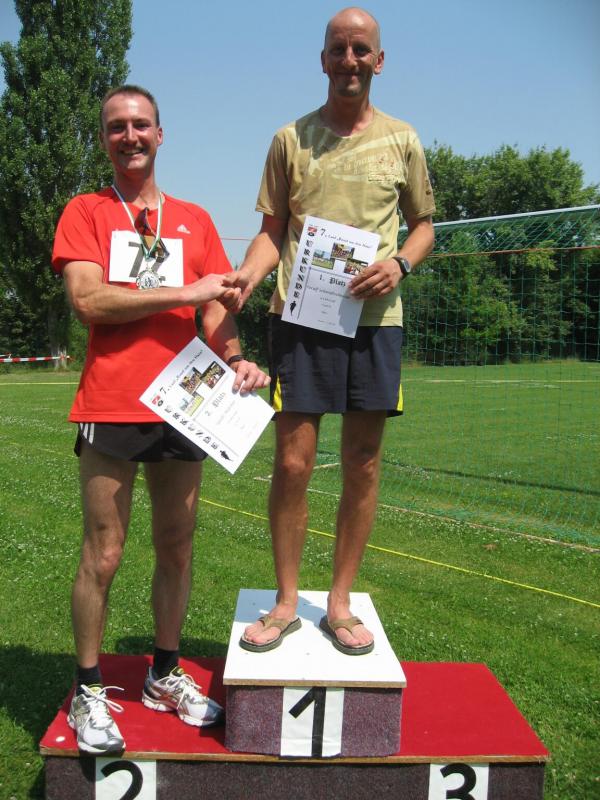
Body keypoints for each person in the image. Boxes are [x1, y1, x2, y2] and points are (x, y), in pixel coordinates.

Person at [52, 84, 269, 754]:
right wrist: (186, 290)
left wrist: (236, 357)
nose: (130, 136)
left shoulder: (194, 220)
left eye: (141, 124)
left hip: (186, 404)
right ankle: (89, 689)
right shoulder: (86, 212)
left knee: (177, 545)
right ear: (104, 140)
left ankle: (164, 673)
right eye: (117, 127)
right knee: (104, 553)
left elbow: (215, 308)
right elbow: (89, 301)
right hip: (112, 402)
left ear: (161, 134)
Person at [226, 7, 435, 655]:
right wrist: (246, 278)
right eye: (338, 49)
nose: (349, 60)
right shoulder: (290, 139)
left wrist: (400, 264)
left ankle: (339, 603)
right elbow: (271, 232)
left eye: (360, 49)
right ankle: (287, 601)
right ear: (323, 60)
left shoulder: (403, 139)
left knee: (362, 464)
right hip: (301, 320)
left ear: (379, 61)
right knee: (293, 464)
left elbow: (425, 227)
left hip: (375, 325)